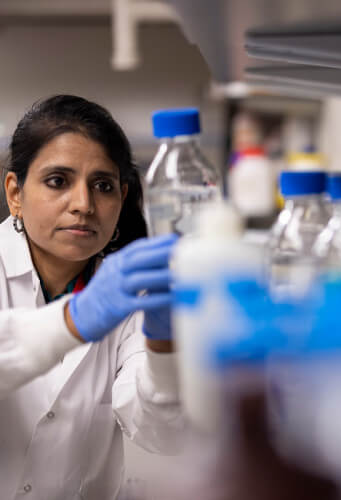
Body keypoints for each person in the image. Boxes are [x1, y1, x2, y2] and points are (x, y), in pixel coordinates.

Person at [0, 95, 183, 499]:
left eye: (102, 186)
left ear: (121, 197)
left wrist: (165, 345)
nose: (83, 205)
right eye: (57, 181)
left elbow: (163, 434)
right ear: (15, 192)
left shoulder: (133, 293)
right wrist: (73, 320)